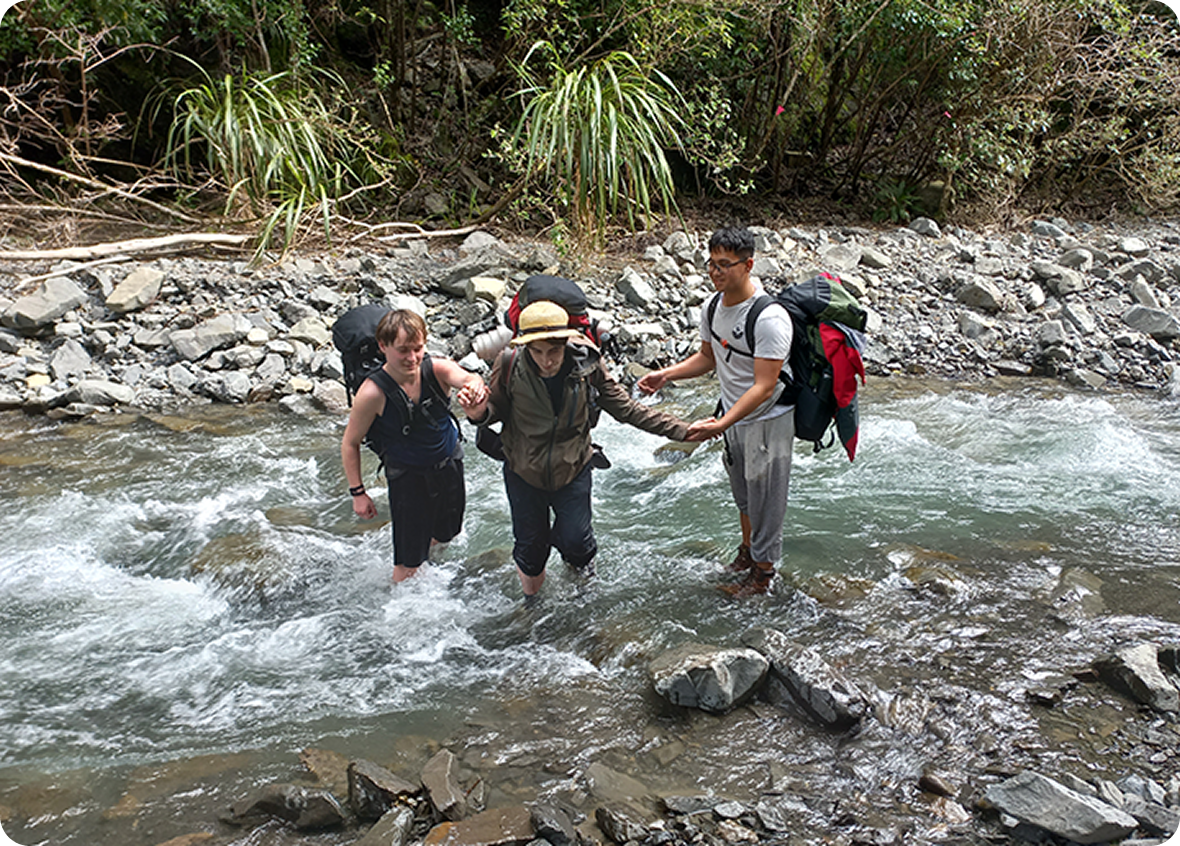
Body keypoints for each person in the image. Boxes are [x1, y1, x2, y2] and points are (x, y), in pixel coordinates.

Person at [465, 299, 691, 605]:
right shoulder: (508, 364)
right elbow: (496, 411)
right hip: (523, 469)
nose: (547, 360)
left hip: (574, 466)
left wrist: (683, 430)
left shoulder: (588, 364)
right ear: (526, 348)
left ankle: (584, 595)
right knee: (530, 549)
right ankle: (532, 606)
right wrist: (478, 412)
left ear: (566, 342)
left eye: (554, 351)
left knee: (578, 542)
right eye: (538, 352)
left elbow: (626, 409)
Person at [637, 226, 794, 597]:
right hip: (734, 416)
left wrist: (722, 421)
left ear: (748, 265)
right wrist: (666, 374)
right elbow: (708, 357)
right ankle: (747, 554)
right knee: (743, 494)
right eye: (711, 263)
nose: (716, 271)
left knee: (766, 499)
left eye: (725, 264)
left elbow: (765, 384)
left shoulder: (770, 318)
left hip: (768, 419)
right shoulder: (713, 305)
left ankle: (763, 577)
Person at [341, 309, 489, 583]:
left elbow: (469, 378)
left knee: (448, 535)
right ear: (383, 347)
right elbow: (350, 443)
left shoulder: (436, 369)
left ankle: (429, 565)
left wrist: (474, 388)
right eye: (403, 351)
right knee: (407, 566)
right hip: (407, 479)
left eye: (418, 348)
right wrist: (358, 493)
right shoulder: (372, 392)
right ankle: (399, 605)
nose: (412, 358)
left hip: (449, 466)